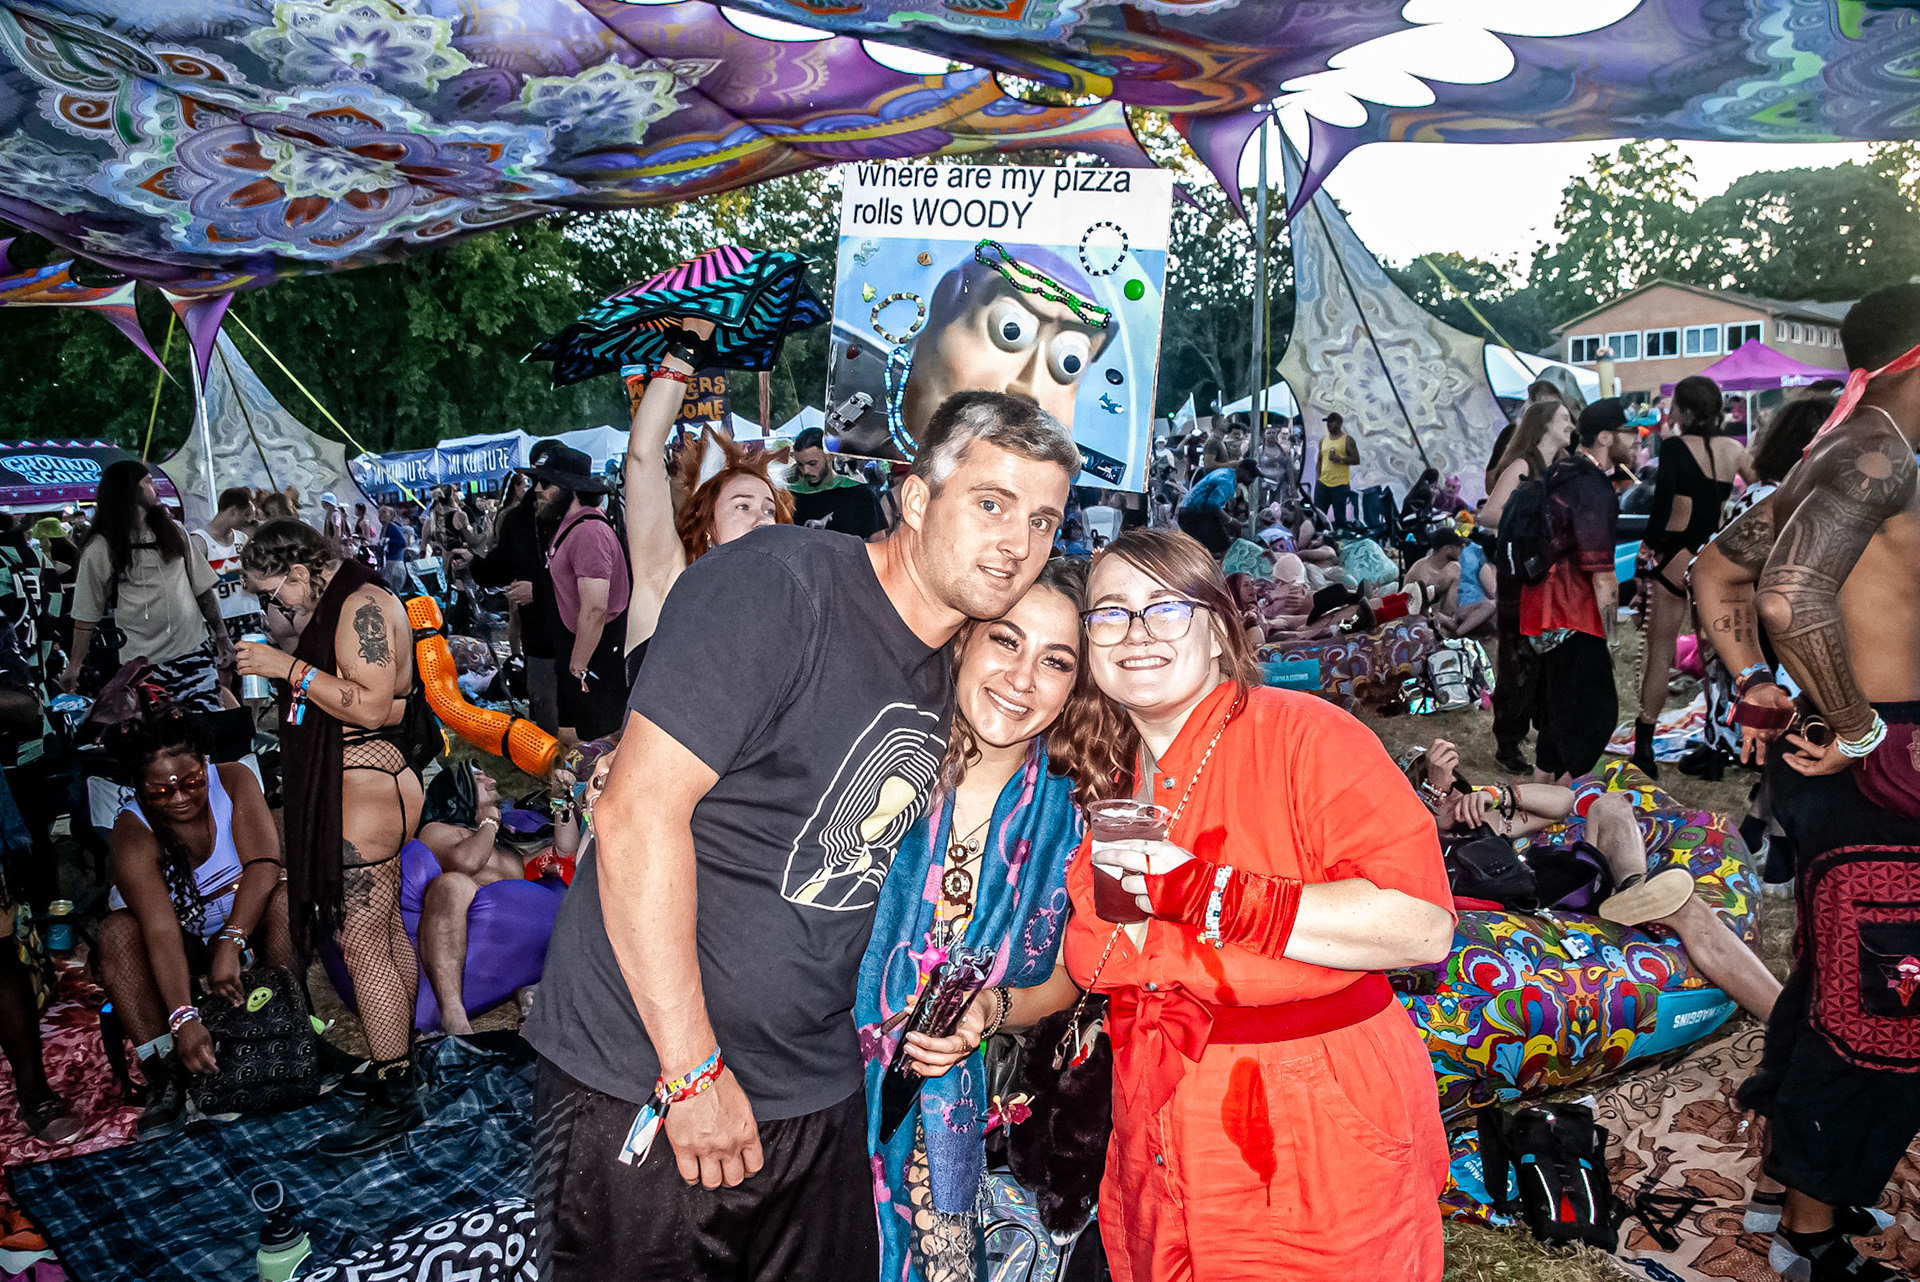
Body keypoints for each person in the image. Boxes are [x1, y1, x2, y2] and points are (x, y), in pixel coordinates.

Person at [524, 389, 1078, 1282]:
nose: (1018, 541)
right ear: (916, 498)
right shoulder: (780, 584)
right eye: (991, 503)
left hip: (814, 1088)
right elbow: (635, 814)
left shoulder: (956, 665)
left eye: (1043, 520)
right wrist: (691, 1072)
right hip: (648, 1075)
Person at [1064, 527, 1454, 1282]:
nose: (1135, 631)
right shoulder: (1109, 779)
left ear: (1218, 631)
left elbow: (1421, 927)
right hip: (1155, 1126)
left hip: (1309, 1130)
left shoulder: (1307, 735)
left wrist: (1209, 892)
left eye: (1165, 608)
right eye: (1110, 612)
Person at [1695, 285, 1920, 1282]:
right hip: (1877, 762)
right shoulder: (1875, 455)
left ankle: (1793, 1191)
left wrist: (1758, 689)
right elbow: (1787, 596)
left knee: (1842, 980)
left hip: (1858, 753)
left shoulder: (1849, 449)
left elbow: (1718, 570)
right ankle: (1810, 1238)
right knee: (1883, 1000)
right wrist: (1863, 726)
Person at [858, 559, 1102, 1282]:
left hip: (965, 1125)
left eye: (1055, 661)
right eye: (1006, 640)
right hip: (816, 1094)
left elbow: (1074, 977)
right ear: (963, 639)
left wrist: (991, 1009)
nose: (1023, 679)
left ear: (1076, 687)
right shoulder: (873, 762)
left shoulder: (1078, 818)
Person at [235, 519, 424, 1156]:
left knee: (361, 939)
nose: (278, 608)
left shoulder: (360, 603)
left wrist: (285, 666)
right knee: (384, 930)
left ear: (297, 570)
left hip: (366, 784)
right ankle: (400, 1065)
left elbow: (369, 705)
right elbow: (386, 702)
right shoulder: (350, 599)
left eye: (273, 593)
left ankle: (395, 1090)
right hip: (370, 779)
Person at [1413, 738, 1779, 1019]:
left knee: (1610, 804)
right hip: (1550, 912)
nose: (1451, 797)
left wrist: (1496, 795)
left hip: (1574, 883)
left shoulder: (1484, 824)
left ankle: (1634, 888)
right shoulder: (1421, 844)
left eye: (1456, 788)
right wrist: (1434, 796)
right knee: (1691, 914)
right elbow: (1410, 831)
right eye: (1436, 794)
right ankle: (1788, 1026)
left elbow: (1562, 803)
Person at [96, 705, 291, 1136]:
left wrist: (231, 941)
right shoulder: (132, 831)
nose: (180, 798)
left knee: (285, 899)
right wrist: (183, 1018)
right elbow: (160, 929)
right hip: (177, 939)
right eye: (161, 792)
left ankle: (290, 1025)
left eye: (191, 782)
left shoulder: (234, 780)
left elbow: (263, 864)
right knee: (116, 933)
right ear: (141, 789)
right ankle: (163, 1072)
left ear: (205, 764)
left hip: (240, 923)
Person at [619, 322, 792, 687]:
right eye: (743, 506)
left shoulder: (785, 609)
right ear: (709, 525)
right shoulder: (668, 582)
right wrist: (687, 349)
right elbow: (643, 455)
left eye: (768, 509)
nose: (762, 518)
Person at [413, 750, 606, 1036]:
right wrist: (489, 822)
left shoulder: (505, 845)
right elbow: (466, 863)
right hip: (469, 924)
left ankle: (533, 991)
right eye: (479, 778)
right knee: (451, 884)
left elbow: (565, 850)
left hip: (514, 934)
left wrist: (560, 798)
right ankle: (453, 1016)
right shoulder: (438, 830)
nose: (492, 780)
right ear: (457, 791)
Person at [1630, 376, 1753, 778]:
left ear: (1682, 411)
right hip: (1714, 557)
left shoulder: (1674, 447)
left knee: (1660, 653)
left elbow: (1662, 503)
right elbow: (1766, 489)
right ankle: (1720, 744)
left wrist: (1648, 548)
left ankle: (1644, 749)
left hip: (1675, 554)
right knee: (1717, 658)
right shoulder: (1735, 449)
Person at [1521, 401, 1635, 783]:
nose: (1636, 440)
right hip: (1572, 613)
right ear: (1606, 437)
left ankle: (1538, 797)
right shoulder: (1591, 486)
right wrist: (1612, 637)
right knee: (1595, 718)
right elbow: (1602, 575)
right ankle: (1563, 803)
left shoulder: (1561, 472)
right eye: (1629, 432)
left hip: (1542, 611)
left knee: (1559, 716)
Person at [59, 460, 231, 711]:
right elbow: (86, 615)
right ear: (130, 490)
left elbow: (202, 590)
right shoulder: (101, 547)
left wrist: (222, 636)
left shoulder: (174, 532)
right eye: (149, 482)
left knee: (208, 723)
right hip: (141, 665)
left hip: (194, 652)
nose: (157, 488)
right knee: (156, 733)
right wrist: (74, 666)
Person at [1482, 399, 1574, 775]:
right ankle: (1509, 741)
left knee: (1550, 658)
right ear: (1544, 424)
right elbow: (1489, 514)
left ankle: (1544, 733)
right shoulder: (1522, 466)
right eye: (1564, 418)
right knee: (1519, 657)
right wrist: (1534, 515)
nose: (1570, 424)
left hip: (1552, 578)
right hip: (1521, 578)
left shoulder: (1560, 467)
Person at [529, 447, 631, 746]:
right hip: (579, 652)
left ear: (570, 489)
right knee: (573, 740)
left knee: (595, 747)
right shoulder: (573, 527)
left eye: (546, 483)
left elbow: (595, 608)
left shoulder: (589, 532)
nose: (537, 490)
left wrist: (579, 666)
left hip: (594, 657)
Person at [468, 442, 565, 734]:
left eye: (546, 482)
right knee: (546, 711)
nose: (538, 489)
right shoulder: (518, 519)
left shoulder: (581, 520)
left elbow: (587, 582)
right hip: (539, 639)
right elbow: (501, 565)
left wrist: (539, 590)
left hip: (577, 636)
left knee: (578, 722)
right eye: (535, 480)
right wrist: (472, 562)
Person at [190, 487, 264, 669]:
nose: (249, 520)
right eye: (246, 514)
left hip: (248, 613)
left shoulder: (242, 538)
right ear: (232, 511)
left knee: (254, 669)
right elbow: (196, 585)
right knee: (224, 669)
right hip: (219, 618)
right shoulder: (200, 541)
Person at [789, 428, 883, 538]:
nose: (806, 471)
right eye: (800, 464)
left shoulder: (860, 493)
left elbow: (878, 540)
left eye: (812, 463)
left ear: (829, 456)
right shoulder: (789, 497)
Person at [1175, 459, 1252, 558]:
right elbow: (1213, 505)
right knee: (1223, 547)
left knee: (1219, 544)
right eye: (1250, 475)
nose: (1251, 479)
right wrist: (1230, 521)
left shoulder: (1227, 473)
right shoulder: (1227, 482)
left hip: (1190, 511)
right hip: (1194, 514)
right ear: (1241, 470)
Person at [1440, 533, 1497, 638]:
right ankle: (1455, 634)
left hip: (1454, 604)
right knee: (1492, 605)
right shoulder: (1479, 556)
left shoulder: (1442, 555)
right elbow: (1492, 591)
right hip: (1463, 605)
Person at [1313, 412, 1360, 526]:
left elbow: (1356, 459)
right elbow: (1320, 459)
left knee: (1340, 517)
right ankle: (1320, 534)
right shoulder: (1323, 440)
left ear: (1339, 423)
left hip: (1340, 485)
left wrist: (1341, 459)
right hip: (1323, 483)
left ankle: (1340, 534)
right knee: (1319, 516)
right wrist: (1318, 477)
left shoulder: (1347, 440)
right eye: (1327, 422)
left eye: (1332, 422)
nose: (1329, 425)